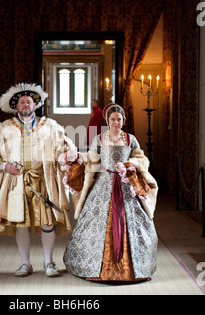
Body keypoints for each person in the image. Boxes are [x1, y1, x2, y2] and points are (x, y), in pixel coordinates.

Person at [0, 83, 77, 278]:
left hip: (43, 180)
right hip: (16, 182)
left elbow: (61, 150)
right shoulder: (4, 128)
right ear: (16, 107)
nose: (25, 104)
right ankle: (25, 264)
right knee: (20, 222)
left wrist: (64, 158)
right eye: (22, 102)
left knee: (47, 222)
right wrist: (5, 166)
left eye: (29, 101)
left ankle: (49, 263)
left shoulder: (50, 126)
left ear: (35, 105)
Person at [62, 104, 158, 282]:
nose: (116, 122)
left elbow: (141, 159)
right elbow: (91, 159)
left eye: (119, 119)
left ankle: (133, 268)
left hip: (125, 183)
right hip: (103, 184)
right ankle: (93, 267)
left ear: (124, 121)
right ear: (108, 121)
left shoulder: (131, 139)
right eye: (113, 119)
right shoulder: (99, 138)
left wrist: (130, 165)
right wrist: (76, 158)